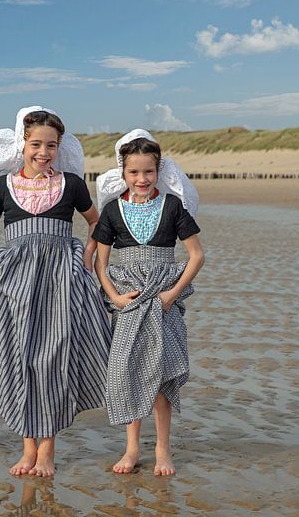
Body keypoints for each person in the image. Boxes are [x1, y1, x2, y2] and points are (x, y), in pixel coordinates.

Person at [0, 106, 112, 477]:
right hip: (15, 282)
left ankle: (47, 452)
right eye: (36, 144)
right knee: (21, 358)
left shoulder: (71, 185)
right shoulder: (2, 187)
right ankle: (27, 449)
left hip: (60, 280)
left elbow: (97, 223)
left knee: (53, 358)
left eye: (51, 146)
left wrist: (87, 256)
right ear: (22, 145)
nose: (43, 153)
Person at [93, 129, 204, 475]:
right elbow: (100, 261)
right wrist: (113, 296)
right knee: (125, 373)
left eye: (148, 172)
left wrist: (171, 295)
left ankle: (162, 449)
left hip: (163, 304)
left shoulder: (172, 206)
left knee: (160, 376)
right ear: (122, 173)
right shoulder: (112, 210)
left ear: (159, 171)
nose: (141, 179)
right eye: (134, 172)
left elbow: (196, 256)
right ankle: (131, 449)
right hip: (128, 303)